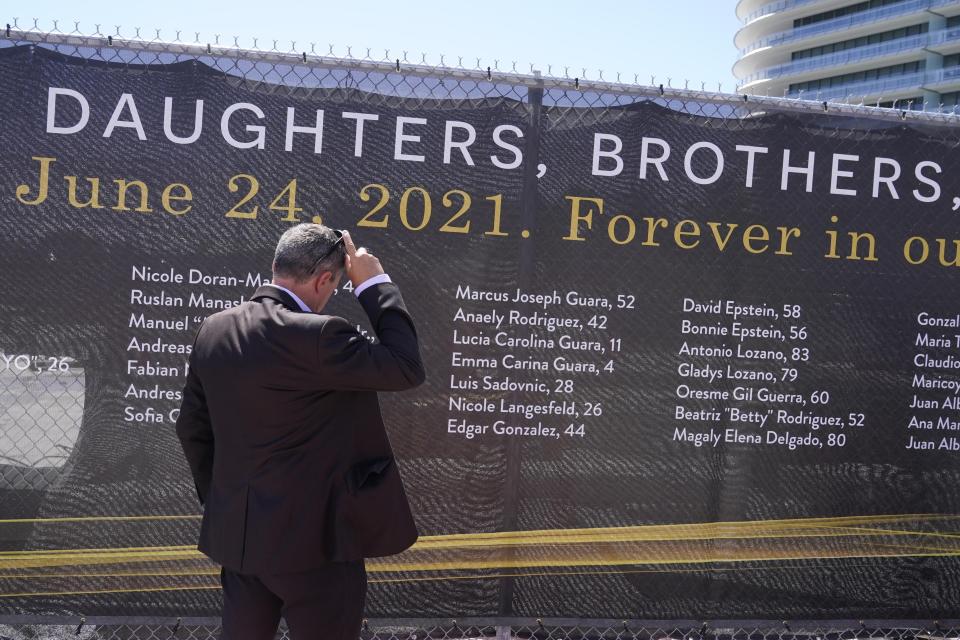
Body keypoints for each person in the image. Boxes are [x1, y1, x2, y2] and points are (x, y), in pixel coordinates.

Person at [175, 223, 425, 639]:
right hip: (317, 546)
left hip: (240, 541)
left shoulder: (213, 330)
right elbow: (406, 366)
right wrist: (374, 283)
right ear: (325, 279)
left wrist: (227, 500)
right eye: (335, 285)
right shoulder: (319, 335)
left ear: (276, 265)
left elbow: (191, 428)